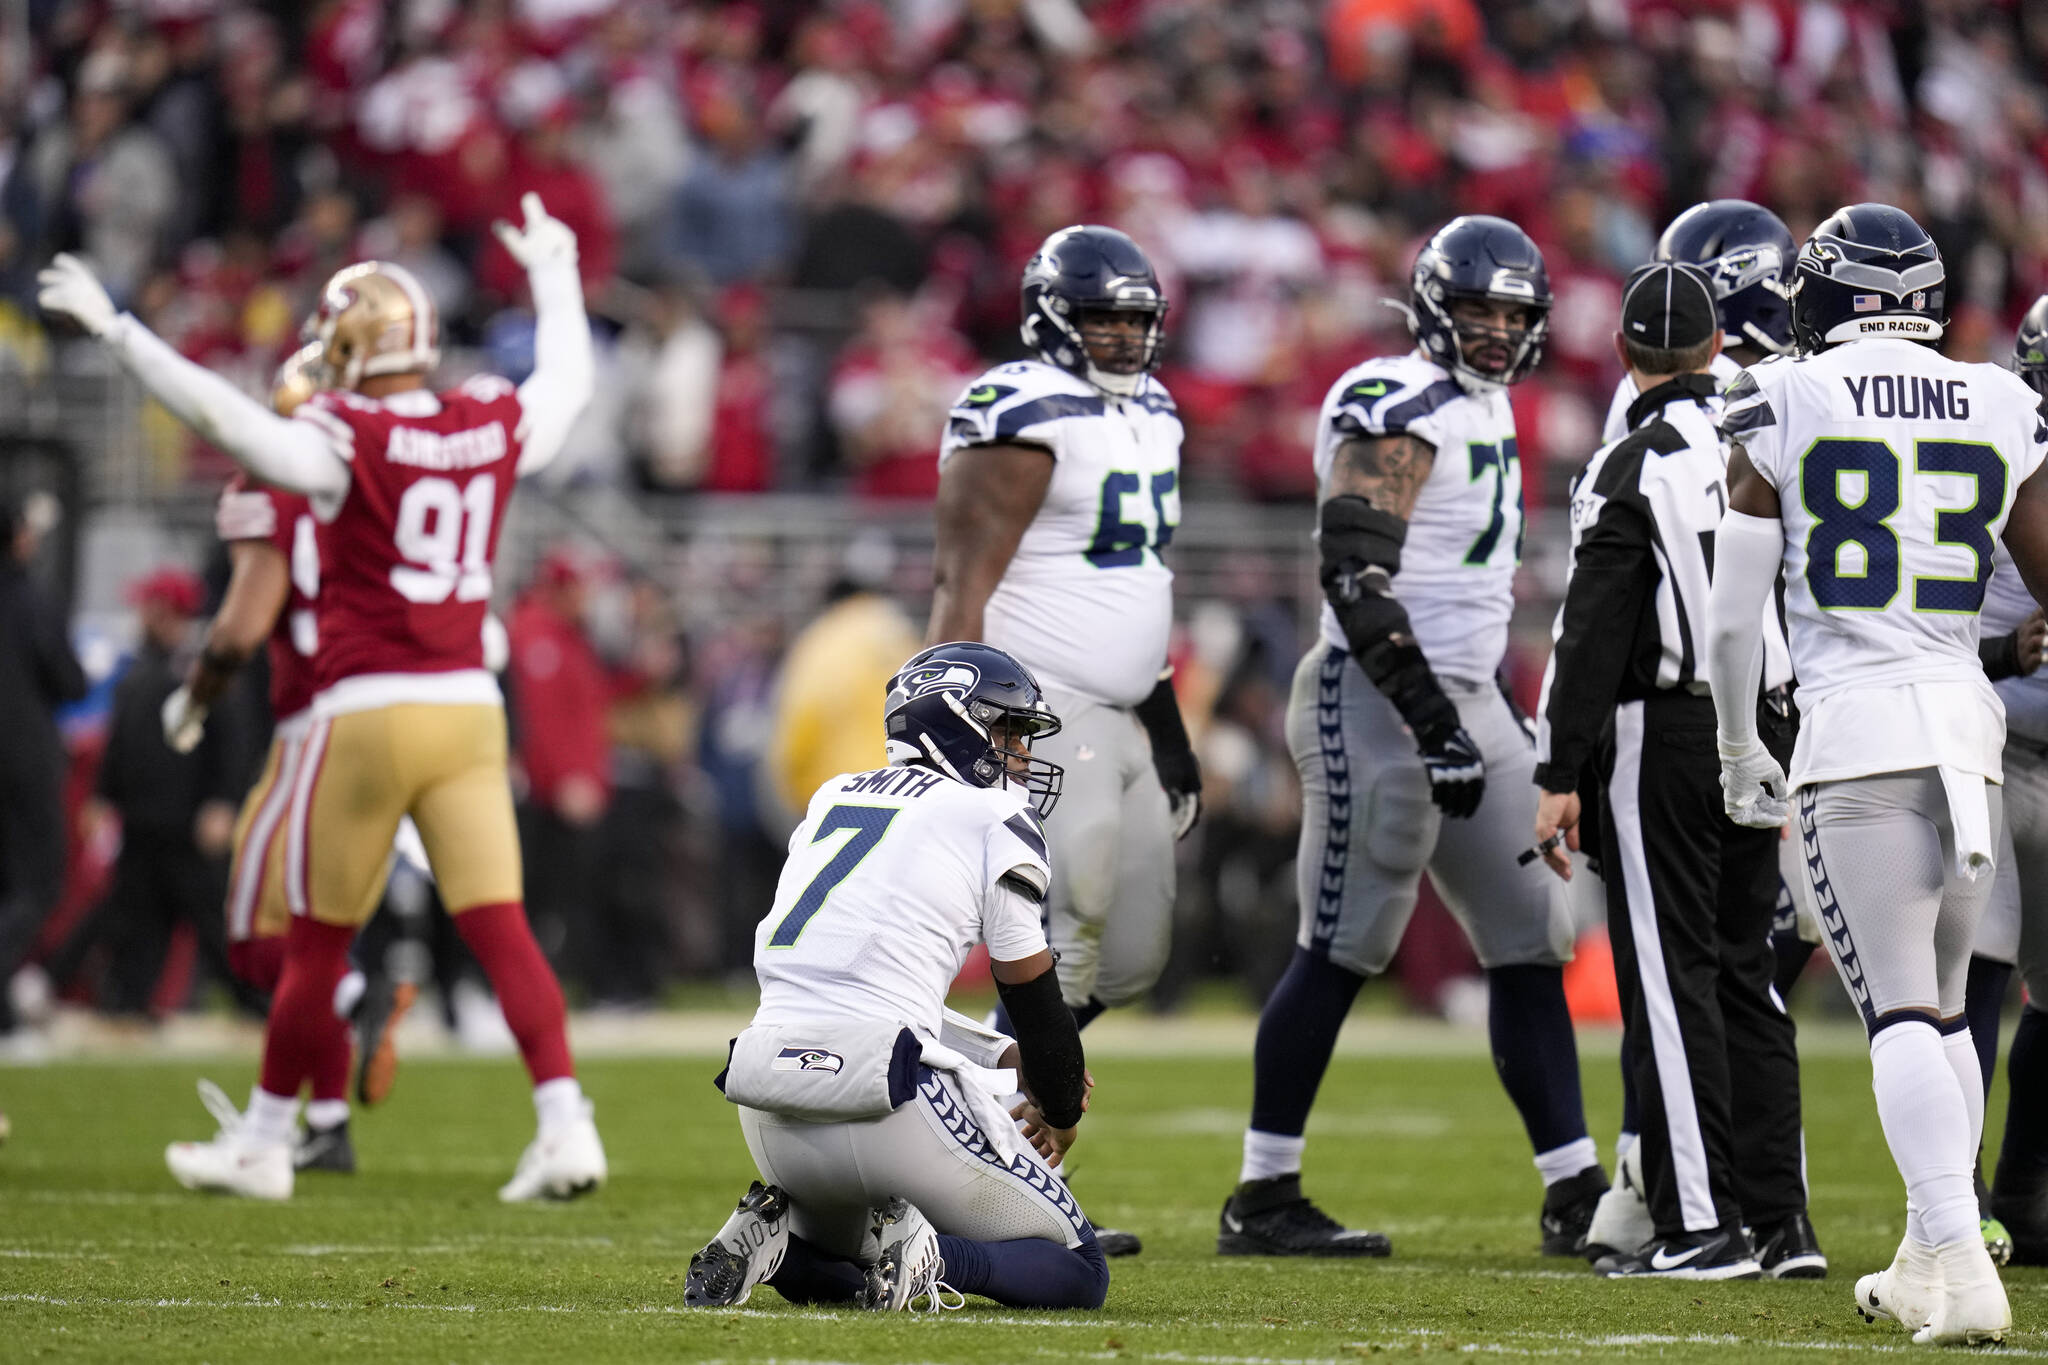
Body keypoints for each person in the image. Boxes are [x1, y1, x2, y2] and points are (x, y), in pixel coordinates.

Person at [38, 193, 604, 1204]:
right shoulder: (484, 415)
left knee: (313, 945)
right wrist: (556, 272)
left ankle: (263, 1142)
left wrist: (125, 334)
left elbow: (231, 422)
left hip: (366, 711)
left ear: (348, 346)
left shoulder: (348, 437)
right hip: (470, 710)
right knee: (499, 924)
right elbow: (565, 381)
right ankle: (565, 1123)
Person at [1218, 216, 1602, 1258]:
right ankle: (1262, 1192)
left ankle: (1573, 1189)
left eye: (1510, 312)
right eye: (1475, 307)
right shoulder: (1394, 399)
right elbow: (1352, 572)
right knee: (1343, 945)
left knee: (1533, 935)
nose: (1492, 328)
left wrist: (1481, 722)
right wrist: (1432, 724)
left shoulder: (1488, 405)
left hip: (1470, 699)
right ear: (1432, 305)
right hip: (1376, 699)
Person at [1707, 202, 2048, 1345]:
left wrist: (1734, 742)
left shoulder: (1787, 394)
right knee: (1945, 1013)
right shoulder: (1996, 394)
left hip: (1856, 730)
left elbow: (1729, 615)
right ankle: (1923, 1256)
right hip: (1967, 723)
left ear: (1824, 295)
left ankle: (1958, 1252)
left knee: (1898, 1003)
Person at [1533, 262, 1819, 1280]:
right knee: (1751, 975)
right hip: (1771, 719)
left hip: (1670, 729)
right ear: (1713, 349)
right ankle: (1782, 1223)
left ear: (1623, 355)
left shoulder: (1627, 460)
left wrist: (1556, 766)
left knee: (1673, 980)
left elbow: (1597, 624)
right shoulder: (1767, 436)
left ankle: (1704, 1223)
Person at [683, 642, 1108, 1313]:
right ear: (953, 723)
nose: (1020, 753)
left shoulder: (832, 796)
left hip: (767, 1103)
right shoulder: (989, 815)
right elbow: (1034, 997)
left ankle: (785, 1248)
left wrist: (998, 1054)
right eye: (1007, 730)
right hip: (883, 1098)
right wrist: (1059, 1108)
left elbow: (855, 983)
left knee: (861, 1262)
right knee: (1081, 1268)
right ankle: (938, 1254)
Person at [928, 225, 1203, 1256]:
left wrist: (1169, 727)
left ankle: (985, 1113)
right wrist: (951, 725)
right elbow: (960, 581)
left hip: (1128, 708)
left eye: (1137, 318)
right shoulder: (1016, 407)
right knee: (1070, 915)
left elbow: (1139, 581)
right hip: (1036, 708)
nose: (1123, 336)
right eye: (1101, 317)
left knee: (1130, 953)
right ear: (1053, 317)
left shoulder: (1157, 412)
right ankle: (1002, 1180)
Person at [154, 344, 390, 1178]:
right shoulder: (379, 481)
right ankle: (325, 1119)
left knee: (262, 943)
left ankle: (348, 1005)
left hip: (314, 731)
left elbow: (244, 624)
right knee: (314, 930)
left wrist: (196, 695)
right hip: (398, 719)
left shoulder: (274, 491)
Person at [77, 568, 250, 1018]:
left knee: (213, 923)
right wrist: (102, 796)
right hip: (141, 820)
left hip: (187, 822)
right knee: (137, 920)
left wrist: (223, 802)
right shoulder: (138, 668)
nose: (140, 616)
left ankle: (258, 1004)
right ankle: (129, 1003)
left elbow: (230, 742)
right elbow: (120, 743)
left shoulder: (205, 667)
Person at [1980, 295, 2048, 1263]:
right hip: (1984, 746)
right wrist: (1997, 652)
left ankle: (2021, 1198)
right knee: (1970, 982)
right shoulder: (1989, 437)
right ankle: (1952, 1213)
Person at [0, 494, 86, 1046]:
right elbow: (69, 680)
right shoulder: (31, 598)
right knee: (38, 883)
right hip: (23, 761)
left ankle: (6, 1016)